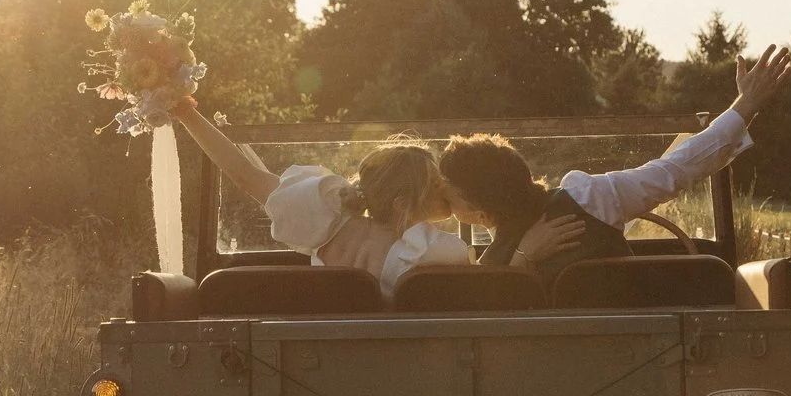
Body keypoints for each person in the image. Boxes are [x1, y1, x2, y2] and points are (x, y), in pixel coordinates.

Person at [436, 45, 791, 285]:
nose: (445, 208)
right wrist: (744, 106)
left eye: (449, 200)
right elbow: (673, 172)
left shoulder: (489, 271)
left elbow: (673, 171)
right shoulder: (587, 196)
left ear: (480, 212)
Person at [168, 98, 582, 294]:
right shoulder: (431, 253)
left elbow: (244, 176)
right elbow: (495, 301)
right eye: (438, 187)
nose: (449, 192)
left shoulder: (325, 222)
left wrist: (185, 111)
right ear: (405, 206)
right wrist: (526, 255)